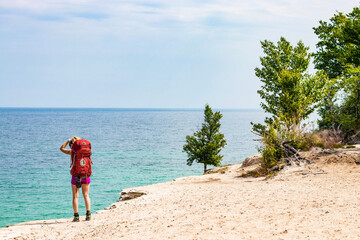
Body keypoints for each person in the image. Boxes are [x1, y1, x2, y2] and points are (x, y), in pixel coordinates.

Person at [60, 137, 91, 222]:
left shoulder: (72, 152)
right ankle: (88, 215)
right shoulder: (86, 152)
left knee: (75, 196)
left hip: (75, 176)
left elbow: (61, 148)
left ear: (71, 145)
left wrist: (67, 140)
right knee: (86, 195)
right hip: (85, 175)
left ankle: (76, 216)